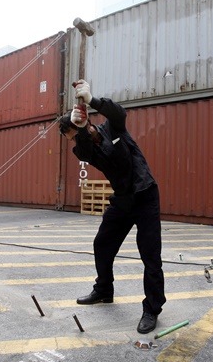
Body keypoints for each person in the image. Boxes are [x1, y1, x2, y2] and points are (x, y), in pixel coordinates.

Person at [59, 80, 166, 334]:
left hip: (145, 195)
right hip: (123, 200)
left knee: (150, 255)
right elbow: (84, 151)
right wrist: (81, 126)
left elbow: (119, 112)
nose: (76, 140)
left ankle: (152, 309)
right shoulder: (86, 149)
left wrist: (92, 101)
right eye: (73, 137)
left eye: (74, 136)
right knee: (102, 243)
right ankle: (104, 290)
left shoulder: (113, 127)